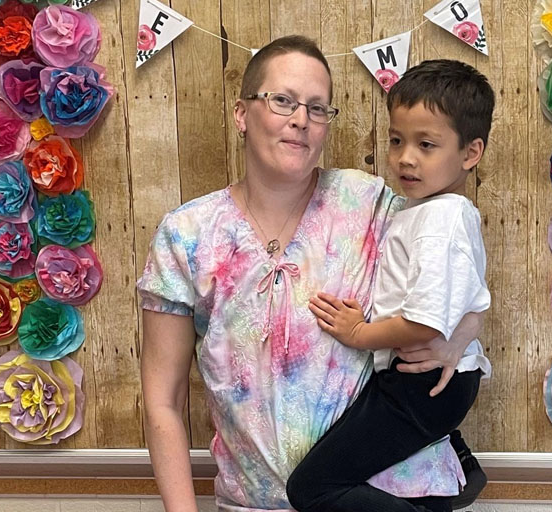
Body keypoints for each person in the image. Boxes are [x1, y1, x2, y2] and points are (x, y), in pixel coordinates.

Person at [137, 36, 482, 512]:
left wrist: (462, 332)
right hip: (253, 504)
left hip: (393, 496)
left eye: (317, 108)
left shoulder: (370, 203)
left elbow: (453, 269)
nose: (301, 118)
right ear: (242, 113)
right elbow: (163, 400)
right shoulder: (189, 235)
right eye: (282, 100)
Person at [285, 59, 495, 512]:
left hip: (423, 384)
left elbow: (425, 321)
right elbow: (469, 300)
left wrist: (359, 334)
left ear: (470, 153)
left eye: (426, 145)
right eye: (397, 140)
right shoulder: (421, 211)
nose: (406, 158)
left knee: (312, 488)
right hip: (415, 383)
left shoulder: (443, 218)